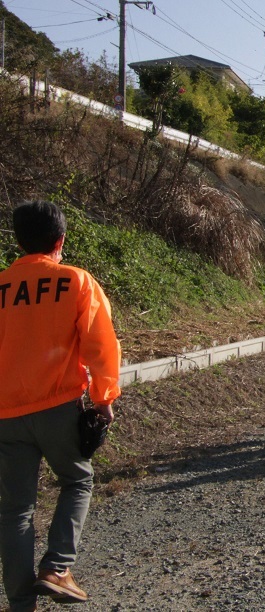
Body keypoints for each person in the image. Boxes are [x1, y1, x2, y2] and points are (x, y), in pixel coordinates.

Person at [0, 200, 121, 609]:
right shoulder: (76, 281)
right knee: (77, 480)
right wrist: (104, 398)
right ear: (60, 241)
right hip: (57, 406)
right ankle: (57, 567)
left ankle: (20, 604)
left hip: (5, 415)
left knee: (15, 509)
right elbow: (101, 345)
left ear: (18, 241)